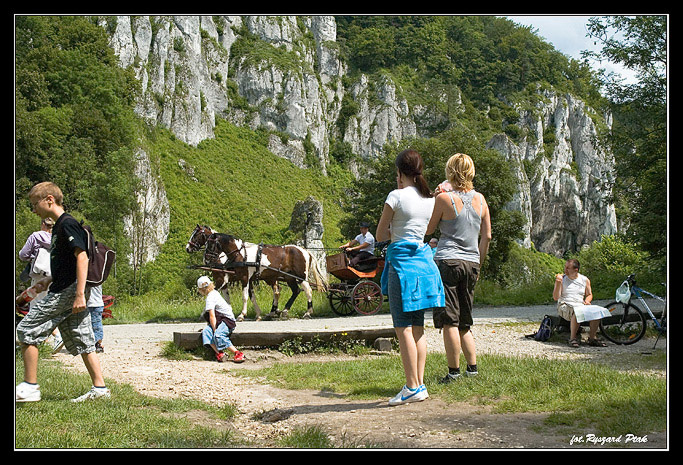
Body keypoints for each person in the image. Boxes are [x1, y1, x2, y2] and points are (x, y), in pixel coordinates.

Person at [16, 182, 110, 402]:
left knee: (27, 329)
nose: (33, 209)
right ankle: (100, 389)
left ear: (49, 199)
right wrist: (44, 282)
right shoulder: (59, 226)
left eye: (34, 204)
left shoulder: (67, 224)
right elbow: (66, 264)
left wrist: (79, 295)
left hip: (68, 291)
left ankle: (30, 386)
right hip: (64, 287)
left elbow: (82, 257)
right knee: (83, 338)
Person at [376, 149, 445, 406]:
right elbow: (426, 231)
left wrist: (394, 228)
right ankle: (420, 385)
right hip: (423, 264)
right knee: (417, 326)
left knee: (402, 325)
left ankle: (411, 386)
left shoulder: (396, 196)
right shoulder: (430, 199)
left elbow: (381, 233)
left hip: (401, 264)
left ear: (399, 172)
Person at [426, 153, 492, 383]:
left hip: (447, 261)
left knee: (449, 320)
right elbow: (487, 236)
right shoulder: (481, 200)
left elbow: (429, 229)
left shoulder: (444, 199)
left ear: (450, 171)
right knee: (465, 319)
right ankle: (472, 369)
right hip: (472, 262)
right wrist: (479, 263)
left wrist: (433, 198)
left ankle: (453, 372)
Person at [18, 217, 64, 353]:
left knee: (35, 307)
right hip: (54, 275)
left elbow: (23, 254)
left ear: (43, 224)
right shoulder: (58, 237)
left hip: (39, 276)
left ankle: (54, 336)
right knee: (49, 305)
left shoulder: (36, 236)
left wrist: (33, 257)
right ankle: (43, 339)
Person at [553, 259, 606, 347]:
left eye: (568, 268)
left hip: (580, 304)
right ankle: (572, 338)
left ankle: (592, 338)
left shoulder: (584, 280)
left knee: (596, 311)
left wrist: (587, 301)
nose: (565, 270)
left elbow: (589, 294)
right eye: (565, 267)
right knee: (577, 311)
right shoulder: (562, 279)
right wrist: (558, 283)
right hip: (565, 304)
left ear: (576, 270)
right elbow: (556, 297)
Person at [197, 276, 245, 363]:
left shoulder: (210, 298)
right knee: (206, 332)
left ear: (201, 290)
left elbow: (212, 316)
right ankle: (220, 353)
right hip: (220, 320)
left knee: (218, 335)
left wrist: (214, 329)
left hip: (227, 320)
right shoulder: (214, 293)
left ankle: (238, 353)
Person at [87, 284, 105, 353]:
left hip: (95, 303)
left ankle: (97, 344)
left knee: (96, 326)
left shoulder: (95, 276)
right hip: (88, 303)